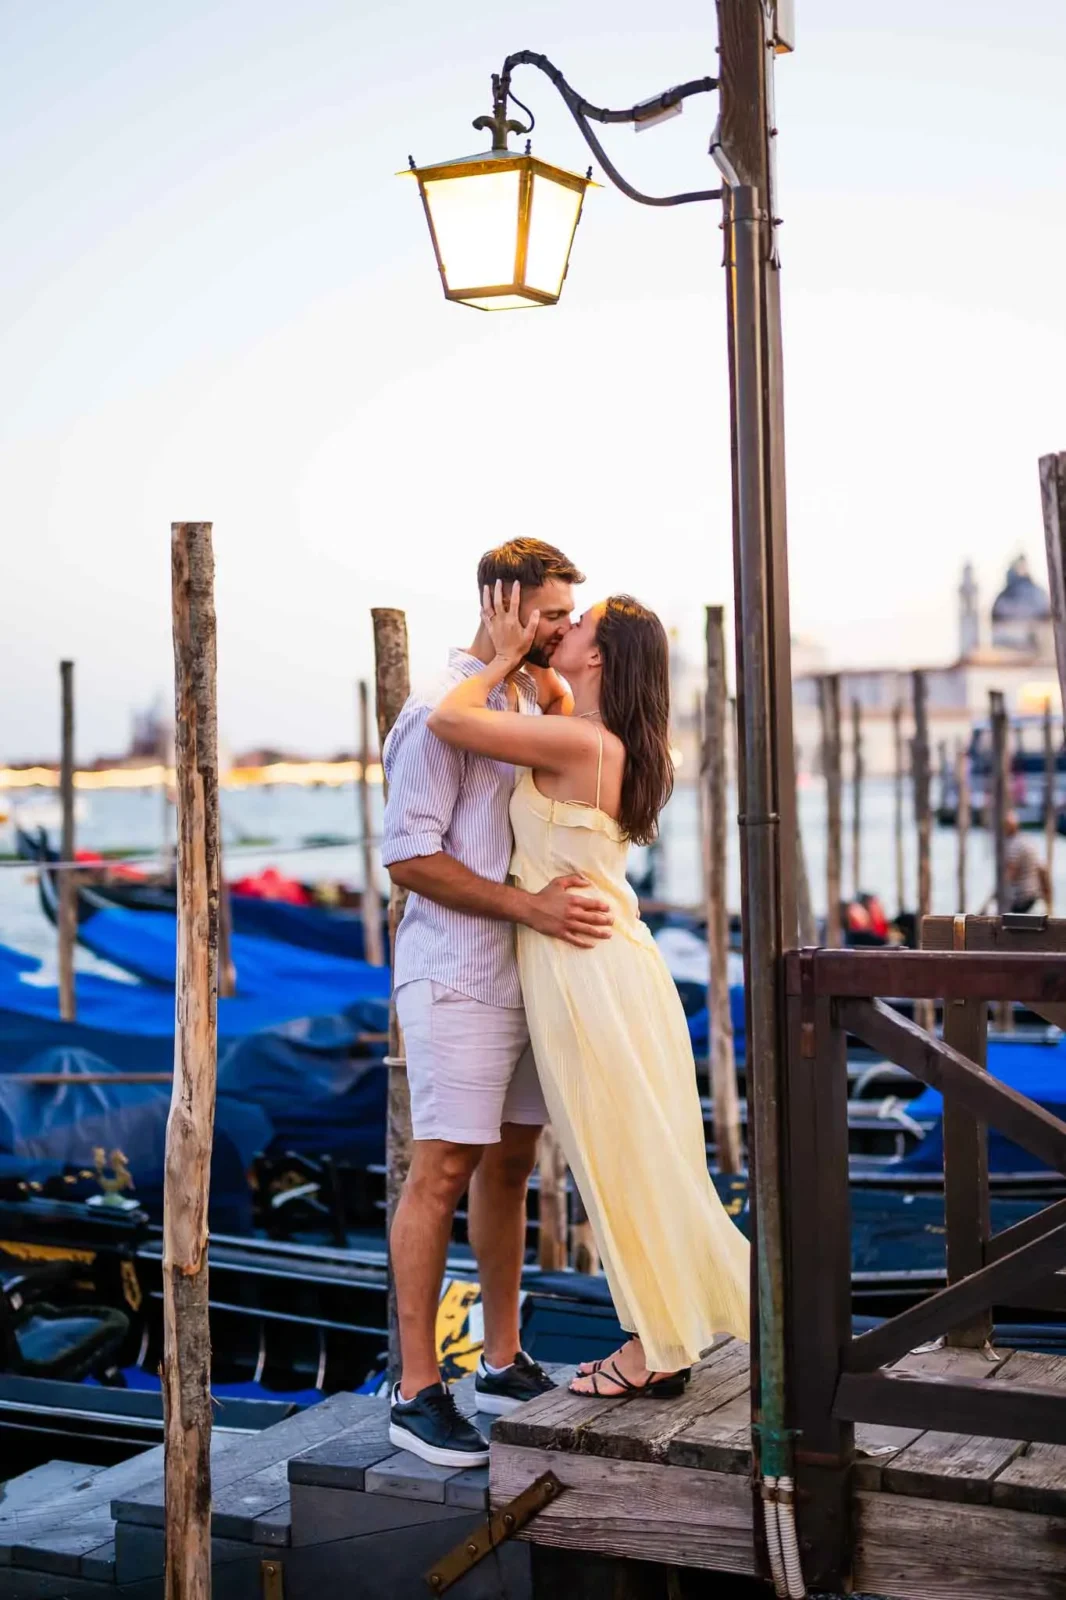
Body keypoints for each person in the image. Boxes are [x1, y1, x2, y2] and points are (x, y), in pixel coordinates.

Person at [427, 582, 750, 1401]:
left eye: (581, 623)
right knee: (640, 1152)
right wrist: (535, 663)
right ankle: (664, 1334)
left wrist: (500, 657)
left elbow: (449, 719)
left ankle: (652, 1348)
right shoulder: (607, 738)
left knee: (616, 1159)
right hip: (610, 963)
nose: (566, 627)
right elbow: (550, 692)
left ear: (600, 655)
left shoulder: (578, 742)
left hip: (586, 972)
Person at [381, 538, 614, 1469]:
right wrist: (529, 909)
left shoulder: (521, 699)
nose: (563, 627)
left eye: (567, 615)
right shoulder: (437, 709)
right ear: (502, 601)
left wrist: (537, 668)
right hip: (456, 971)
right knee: (443, 1167)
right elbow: (408, 856)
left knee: (512, 1164)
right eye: (551, 613)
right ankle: (415, 1391)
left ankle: (503, 1360)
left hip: (527, 974)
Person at [1002, 810, 1051, 913]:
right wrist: (1048, 901)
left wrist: (999, 891)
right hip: (1034, 895)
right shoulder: (1028, 841)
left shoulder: (1014, 845)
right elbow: (1042, 870)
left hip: (1022, 899)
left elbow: (1011, 874)